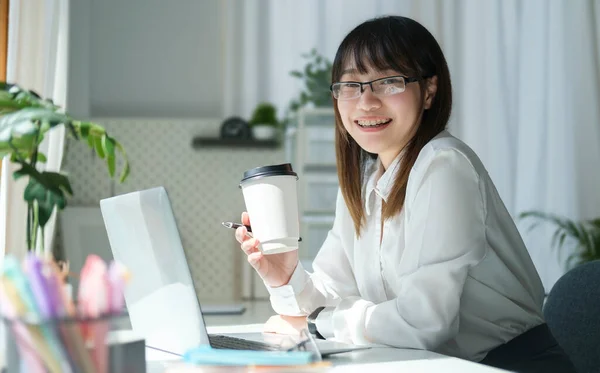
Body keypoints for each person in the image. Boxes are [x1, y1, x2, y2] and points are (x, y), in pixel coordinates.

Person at [235, 15, 575, 372]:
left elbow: (424, 323)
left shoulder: (445, 166)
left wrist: (318, 325)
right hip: (434, 364)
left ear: (429, 91)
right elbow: (329, 295)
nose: (366, 102)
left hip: (510, 365)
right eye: (351, 85)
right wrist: (285, 274)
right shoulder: (366, 182)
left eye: (387, 82)